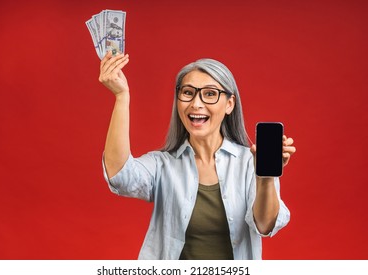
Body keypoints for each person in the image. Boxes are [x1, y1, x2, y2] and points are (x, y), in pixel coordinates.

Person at [99, 51, 296, 260]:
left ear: (229, 104)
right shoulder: (163, 164)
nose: (196, 104)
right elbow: (120, 176)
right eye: (188, 92)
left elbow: (265, 225)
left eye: (210, 94)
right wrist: (122, 97)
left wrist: (265, 177)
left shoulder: (250, 163)